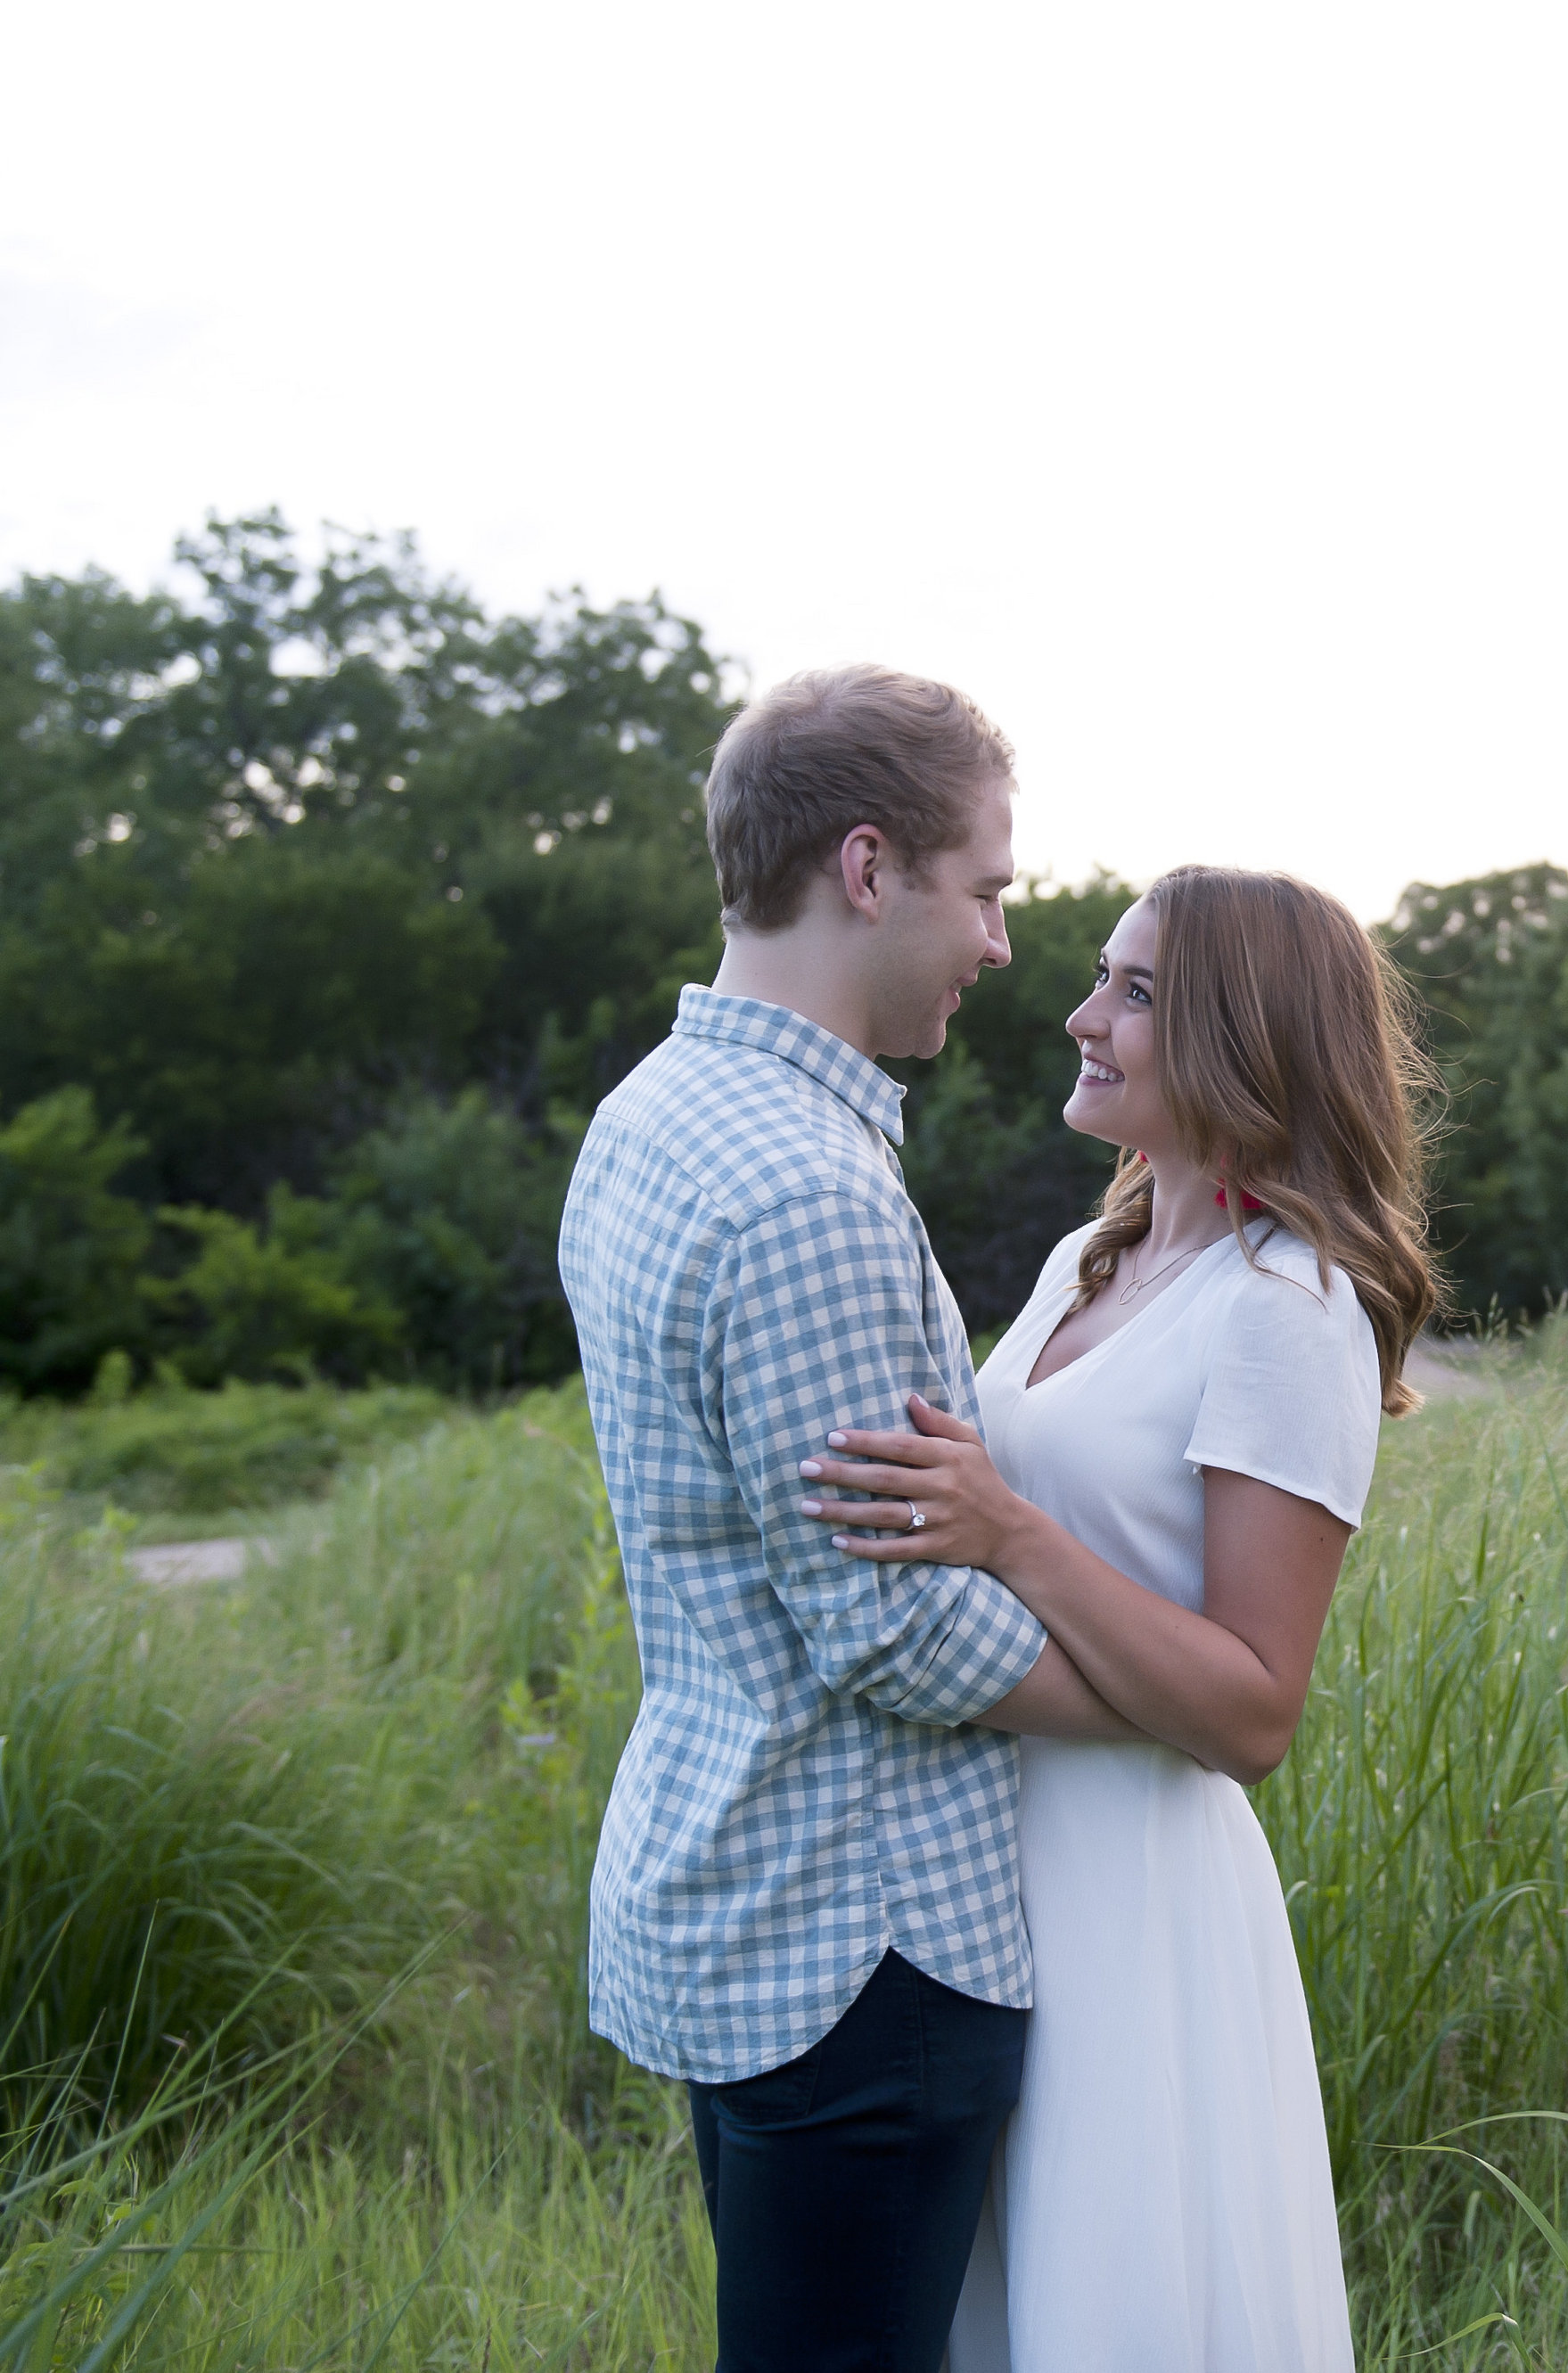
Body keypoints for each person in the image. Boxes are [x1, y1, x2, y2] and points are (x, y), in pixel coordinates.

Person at [555, 663, 1139, 2373]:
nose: (1005, 944)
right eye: (988, 889)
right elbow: (891, 1621)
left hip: (744, 1889)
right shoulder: (805, 1187)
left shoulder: (654, 1114)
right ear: (870, 868)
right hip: (860, 1932)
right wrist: (1174, 1697)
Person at [795, 866, 1440, 2373]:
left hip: (1133, 1903)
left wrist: (1008, 1533)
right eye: (1102, 975)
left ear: (1244, 1030)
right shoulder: (1084, 1262)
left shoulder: (1289, 1309)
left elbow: (1253, 1707)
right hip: (980, 1883)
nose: (1082, 1016)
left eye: (1135, 991)